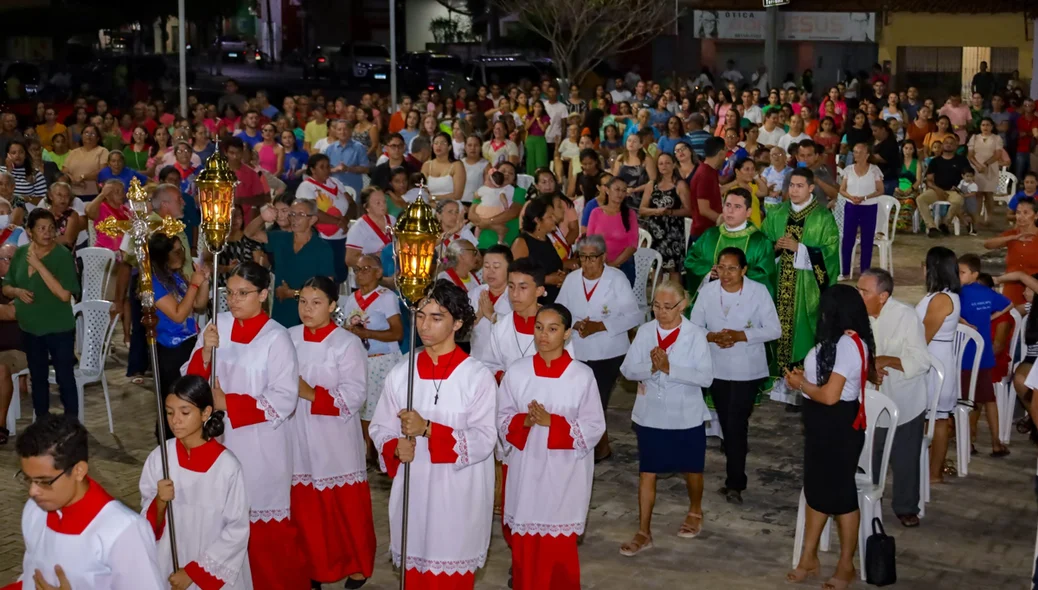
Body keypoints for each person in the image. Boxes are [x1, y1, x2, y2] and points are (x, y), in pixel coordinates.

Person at [183, 262, 309, 589]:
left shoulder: (276, 338)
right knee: (222, 522)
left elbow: (284, 398)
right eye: (230, 294)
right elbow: (193, 378)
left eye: (244, 294)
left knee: (261, 526)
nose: (234, 301)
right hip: (219, 438)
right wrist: (207, 353)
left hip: (261, 444)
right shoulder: (217, 325)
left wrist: (229, 402)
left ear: (264, 294)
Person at [368, 280, 497, 590]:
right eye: (421, 315)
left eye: (436, 317)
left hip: (458, 495)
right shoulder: (403, 373)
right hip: (416, 492)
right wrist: (395, 447)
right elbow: (380, 428)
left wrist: (428, 430)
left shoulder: (477, 377)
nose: (424, 325)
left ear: (458, 323)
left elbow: (483, 439)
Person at [498, 303, 605, 588]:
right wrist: (525, 421)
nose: (543, 335)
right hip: (526, 472)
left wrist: (552, 422)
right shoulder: (517, 372)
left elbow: (595, 427)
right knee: (525, 548)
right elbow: (501, 418)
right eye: (538, 327)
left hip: (564, 475)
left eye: (553, 329)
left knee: (558, 551)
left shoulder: (581, 376)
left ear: (567, 334)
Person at [784, 284, 876, 588]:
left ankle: (845, 564)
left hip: (838, 427)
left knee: (841, 497)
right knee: (816, 489)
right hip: (822, 427)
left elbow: (829, 396)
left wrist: (800, 385)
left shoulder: (849, 345)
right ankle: (808, 557)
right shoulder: (833, 342)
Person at [8, 414, 166, 589]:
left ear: (78, 470)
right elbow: (31, 572)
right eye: (28, 479)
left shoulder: (123, 530)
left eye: (44, 481)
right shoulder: (35, 509)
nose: (33, 491)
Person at [289, 277, 376, 588]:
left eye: (316, 303)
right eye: (303, 302)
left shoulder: (346, 343)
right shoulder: (288, 338)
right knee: (306, 511)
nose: (307, 309)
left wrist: (309, 393)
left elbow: (355, 395)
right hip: (298, 433)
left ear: (332, 305)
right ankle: (314, 567)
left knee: (343, 509)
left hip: (335, 436)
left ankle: (355, 565)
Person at [619, 280, 713, 554]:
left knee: (692, 469)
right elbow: (627, 369)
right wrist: (651, 366)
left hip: (686, 415)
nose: (661, 312)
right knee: (647, 471)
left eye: (668, 307)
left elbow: (706, 377)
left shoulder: (696, 335)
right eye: (656, 306)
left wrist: (670, 367)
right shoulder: (646, 332)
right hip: (652, 415)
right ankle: (643, 531)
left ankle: (695, 510)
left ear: (683, 305)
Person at [139, 376, 252, 590]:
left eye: (184, 412)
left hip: (210, 569)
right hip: (169, 562)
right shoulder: (160, 457)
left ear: (205, 413)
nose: (175, 421)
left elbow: (237, 530)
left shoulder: (227, 467)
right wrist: (160, 502)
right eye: (169, 412)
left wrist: (193, 573)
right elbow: (147, 524)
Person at [689, 248, 780, 504]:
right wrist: (712, 336)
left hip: (746, 369)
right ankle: (735, 470)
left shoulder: (758, 292)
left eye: (732, 268)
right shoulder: (707, 292)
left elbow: (774, 329)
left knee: (736, 424)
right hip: (716, 367)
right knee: (729, 423)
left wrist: (741, 336)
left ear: (744, 270)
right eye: (721, 267)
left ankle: (735, 483)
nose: (725, 274)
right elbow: (694, 326)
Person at [857, 268, 931, 528]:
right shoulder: (856, 317)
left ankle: (906, 506)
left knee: (905, 456)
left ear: (883, 296)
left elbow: (921, 361)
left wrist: (886, 360)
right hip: (869, 398)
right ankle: (867, 499)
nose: (858, 295)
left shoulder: (906, 316)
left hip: (905, 397)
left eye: (864, 291)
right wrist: (868, 371)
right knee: (870, 452)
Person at [556, 235, 641, 461]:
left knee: (597, 400)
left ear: (603, 257)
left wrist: (600, 325)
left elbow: (633, 315)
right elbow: (560, 311)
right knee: (580, 400)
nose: (588, 263)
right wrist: (576, 324)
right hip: (577, 350)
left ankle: (598, 447)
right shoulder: (572, 280)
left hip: (608, 352)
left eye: (593, 258)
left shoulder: (617, 278)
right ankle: (596, 444)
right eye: (583, 258)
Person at [761, 168, 840, 406]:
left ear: (810, 188)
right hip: (778, 286)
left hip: (806, 291)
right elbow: (761, 245)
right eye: (791, 186)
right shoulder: (776, 214)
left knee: (803, 335)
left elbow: (831, 253)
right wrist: (774, 248)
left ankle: (802, 389)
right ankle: (777, 383)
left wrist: (801, 250)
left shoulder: (822, 218)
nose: (793, 190)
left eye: (799, 186)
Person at [3, 209, 79, 419]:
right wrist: (17, 291)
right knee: (38, 377)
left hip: (58, 328)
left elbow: (64, 295)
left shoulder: (62, 255)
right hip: (30, 327)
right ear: (29, 231)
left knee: (65, 377)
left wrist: (38, 265)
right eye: (41, 228)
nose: (47, 233)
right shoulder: (20, 253)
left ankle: (71, 421)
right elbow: (7, 286)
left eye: (51, 228)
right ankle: (42, 421)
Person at [245, 199, 334, 328]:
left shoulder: (322, 248)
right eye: (292, 214)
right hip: (281, 315)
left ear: (312, 220)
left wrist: (292, 293)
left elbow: (327, 289)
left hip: (309, 317)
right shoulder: (281, 238)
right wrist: (262, 217)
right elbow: (249, 233)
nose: (294, 219)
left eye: (301, 215)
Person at [957, 253, 1012, 457]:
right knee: (987, 399)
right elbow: (1008, 304)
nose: (958, 275)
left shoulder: (958, 294)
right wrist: (991, 317)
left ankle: (968, 442)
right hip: (984, 355)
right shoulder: (986, 293)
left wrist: (962, 322)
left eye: (962, 272)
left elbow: (951, 313)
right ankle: (996, 442)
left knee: (968, 401)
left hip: (965, 357)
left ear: (974, 274)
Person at [149, 233, 210, 409]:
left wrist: (203, 282)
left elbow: (198, 304)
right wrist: (194, 285)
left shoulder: (174, 276)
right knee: (175, 400)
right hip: (171, 349)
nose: (181, 255)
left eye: (181, 250)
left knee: (190, 398)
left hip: (189, 342)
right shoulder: (153, 283)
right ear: (163, 256)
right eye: (176, 252)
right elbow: (177, 315)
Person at [685, 188, 776, 298]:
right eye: (728, 205)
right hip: (711, 301)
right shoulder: (710, 235)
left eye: (737, 207)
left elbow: (765, 276)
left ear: (748, 212)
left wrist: (734, 276)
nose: (730, 211)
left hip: (745, 305)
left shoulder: (760, 241)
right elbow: (691, 260)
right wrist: (709, 272)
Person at [294, 154, 354, 286]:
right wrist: (339, 222)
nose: (326, 169)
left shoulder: (336, 182)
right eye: (322, 167)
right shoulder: (306, 187)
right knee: (323, 276)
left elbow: (351, 203)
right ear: (313, 169)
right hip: (321, 237)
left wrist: (346, 219)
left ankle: (335, 303)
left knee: (338, 275)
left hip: (341, 236)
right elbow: (312, 212)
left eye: (328, 166)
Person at [639, 152, 692, 282]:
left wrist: (670, 212)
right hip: (655, 232)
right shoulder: (651, 185)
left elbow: (689, 210)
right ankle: (656, 299)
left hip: (673, 233)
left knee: (674, 270)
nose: (664, 166)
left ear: (674, 165)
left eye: (668, 163)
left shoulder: (680, 185)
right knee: (657, 268)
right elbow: (642, 209)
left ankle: (676, 299)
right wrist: (656, 211)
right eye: (661, 163)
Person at [838, 142, 884, 278]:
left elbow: (880, 190)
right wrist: (851, 197)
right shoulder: (849, 169)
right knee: (848, 238)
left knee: (867, 239)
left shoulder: (874, 170)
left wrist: (864, 197)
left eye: (860, 152)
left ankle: (865, 270)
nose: (856, 155)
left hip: (869, 207)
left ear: (867, 154)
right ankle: (844, 269)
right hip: (851, 206)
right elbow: (842, 189)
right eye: (855, 152)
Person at [982, 197, 1038, 306]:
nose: (1021, 217)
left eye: (1026, 213)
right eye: (1018, 213)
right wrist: (1012, 238)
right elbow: (987, 244)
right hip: (1011, 288)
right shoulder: (1012, 234)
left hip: (1033, 288)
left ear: (1036, 215)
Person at [511, 198, 565, 303]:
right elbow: (517, 275)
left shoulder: (545, 239)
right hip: (535, 303)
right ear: (537, 220)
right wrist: (548, 279)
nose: (554, 219)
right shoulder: (522, 243)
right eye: (550, 216)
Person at [587, 177, 639, 285]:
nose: (620, 193)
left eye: (624, 191)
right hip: (598, 264)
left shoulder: (630, 214)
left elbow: (633, 244)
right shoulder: (596, 212)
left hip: (623, 265)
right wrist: (601, 263)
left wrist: (614, 264)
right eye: (617, 189)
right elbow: (590, 240)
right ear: (607, 190)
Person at [916, 135, 970, 237]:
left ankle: (945, 223)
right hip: (937, 190)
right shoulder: (935, 161)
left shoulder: (962, 160)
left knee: (958, 201)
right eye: (946, 143)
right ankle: (931, 227)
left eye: (951, 143)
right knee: (920, 199)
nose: (949, 145)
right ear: (942, 145)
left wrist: (961, 188)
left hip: (954, 191)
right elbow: (929, 180)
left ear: (956, 146)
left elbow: (969, 177)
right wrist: (938, 190)